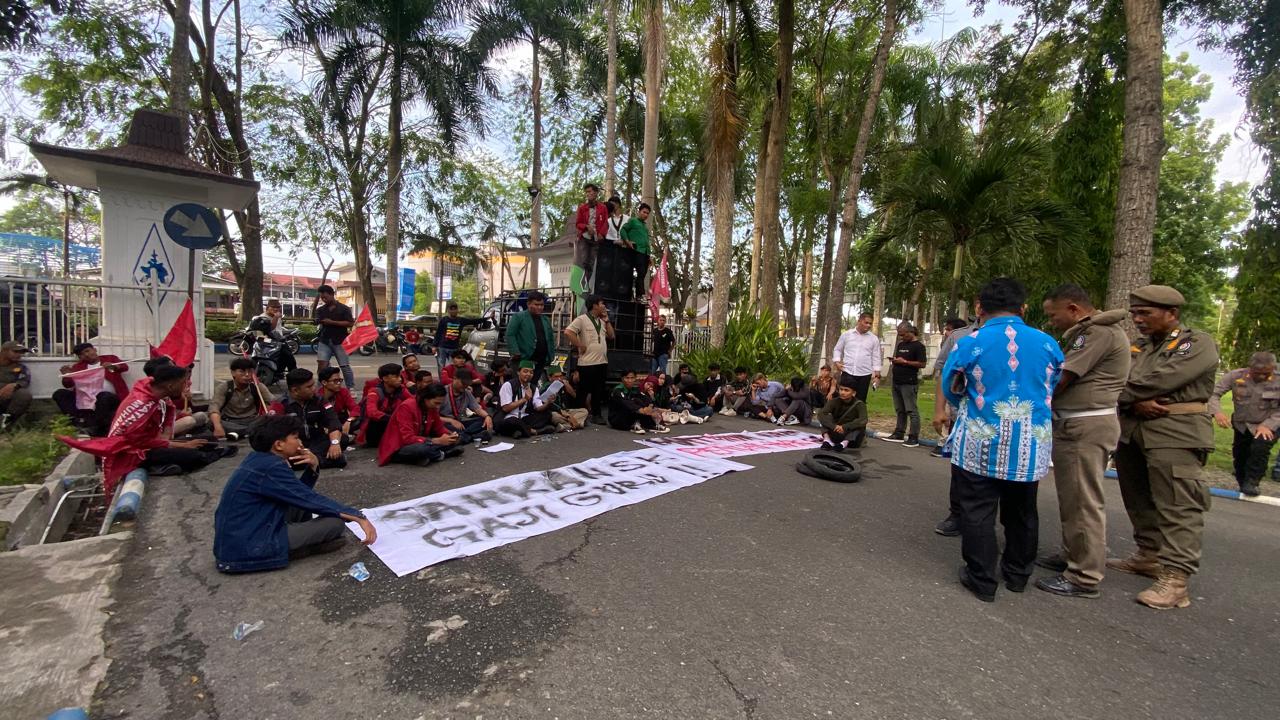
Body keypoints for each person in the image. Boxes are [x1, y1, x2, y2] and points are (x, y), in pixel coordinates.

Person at [941, 277, 1062, 603]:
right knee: (1022, 511)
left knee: (977, 510)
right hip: (1030, 445)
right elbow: (1055, 388)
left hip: (981, 441)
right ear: (1023, 308)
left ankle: (982, 579)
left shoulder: (968, 343)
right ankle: (1018, 575)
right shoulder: (1048, 343)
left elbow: (950, 387)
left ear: (979, 308)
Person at [1109, 285, 1219, 610]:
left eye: (1146, 313)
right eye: (1135, 313)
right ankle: (1149, 555)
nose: (1138, 320)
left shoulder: (1195, 343)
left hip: (1175, 433)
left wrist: (1127, 394)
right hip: (1133, 432)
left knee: (1178, 505)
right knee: (1138, 496)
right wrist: (1134, 401)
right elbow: (1116, 380)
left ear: (1172, 313)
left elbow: (1159, 380)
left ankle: (1176, 580)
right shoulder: (1140, 346)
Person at [1034, 284, 1130, 600]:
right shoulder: (1089, 331)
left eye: (1053, 315)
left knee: (1082, 501)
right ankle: (1072, 553)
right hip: (1077, 422)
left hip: (1085, 425)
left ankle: (1083, 576)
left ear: (1074, 309)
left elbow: (1061, 378)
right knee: (1072, 497)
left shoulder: (1095, 334)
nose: (1051, 322)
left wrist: (1027, 395)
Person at [213, 415, 376, 574]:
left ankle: (300, 541)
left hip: (242, 536)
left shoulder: (260, 459)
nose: (300, 443)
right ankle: (292, 549)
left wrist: (313, 468)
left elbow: (296, 494)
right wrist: (358, 516)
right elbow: (307, 498)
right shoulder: (271, 467)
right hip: (249, 546)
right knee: (335, 523)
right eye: (296, 438)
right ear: (279, 445)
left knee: (307, 507)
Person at [62, 364, 234, 497]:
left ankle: (183, 456)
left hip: (150, 442)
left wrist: (178, 442)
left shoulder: (155, 393)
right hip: (131, 451)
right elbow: (139, 442)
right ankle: (158, 467)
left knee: (206, 441)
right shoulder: (141, 405)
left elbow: (165, 421)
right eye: (183, 384)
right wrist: (179, 445)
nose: (185, 387)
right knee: (194, 456)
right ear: (170, 385)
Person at [1209, 351, 1280, 497]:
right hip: (1242, 424)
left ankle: (1253, 482)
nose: (1261, 376)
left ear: (1273, 368)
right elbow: (1213, 394)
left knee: (1260, 447)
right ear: (1250, 368)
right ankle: (1242, 482)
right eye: (1257, 372)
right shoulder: (1236, 376)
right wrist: (1217, 412)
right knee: (1240, 454)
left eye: (1265, 373)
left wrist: (1268, 425)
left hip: (1269, 423)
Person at [932, 315, 979, 536]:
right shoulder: (962, 338)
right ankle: (957, 515)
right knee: (961, 470)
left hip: (1010, 423)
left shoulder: (1033, 339)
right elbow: (944, 371)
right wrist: (940, 409)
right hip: (965, 416)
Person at [270, 369, 348, 469]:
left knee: (343, 439)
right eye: (309, 387)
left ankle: (305, 461)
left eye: (313, 385)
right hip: (295, 445)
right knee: (339, 459)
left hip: (317, 442)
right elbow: (273, 432)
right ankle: (321, 461)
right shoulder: (280, 404)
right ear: (295, 390)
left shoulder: (319, 400)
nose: (314, 389)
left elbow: (333, 420)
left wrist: (334, 443)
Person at [378, 383, 465, 466]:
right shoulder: (407, 407)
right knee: (423, 449)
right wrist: (437, 441)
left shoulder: (432, 407)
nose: (438, 407)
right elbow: (407, 438)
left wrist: (450, 435)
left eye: (440, 404)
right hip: (400, 446)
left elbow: (439, 428)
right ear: (426, 399)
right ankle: (443, 455)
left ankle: (428, 456)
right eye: (436, 403)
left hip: (421, 441)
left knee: (457, 438)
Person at [54, 342, 128, 436]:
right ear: (80, 357)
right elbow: (68, 385)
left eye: (87, 351)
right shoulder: (78, 367)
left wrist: (113, 366)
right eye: (82, 354)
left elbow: (124, 367)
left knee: (103, 396)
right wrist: (67, 375)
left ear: (95, 350)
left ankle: (95, 427)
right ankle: (76, 423)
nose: (86, 355)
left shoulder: (109, 358)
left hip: (109, 399)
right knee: (59, 394)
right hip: (86, 400)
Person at [564, 294, 614, 423]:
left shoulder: (601, 321)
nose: (604, 306)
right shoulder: (581, 319)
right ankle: (579, 414)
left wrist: (607, 321)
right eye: (602, 303)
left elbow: (611, 336)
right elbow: (568, 332)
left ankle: (597, 415)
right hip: (587, 363)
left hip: (602, 361)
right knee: (583, 391)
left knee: (598, 390)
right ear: (594, 305)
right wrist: (579, 344)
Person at [930, 317, 974, 461]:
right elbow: (943, 368)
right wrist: (939, 409)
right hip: (954, 393)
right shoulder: (958, 337)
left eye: (948, 329)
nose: (946, 332)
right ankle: (944, 443)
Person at [883, 323, 927, 447]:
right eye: (900, 335)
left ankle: (913, 436)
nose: (901, 337)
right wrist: (895, 360)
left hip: (909, 382)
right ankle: (899, 432)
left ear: (910, 332)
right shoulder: (901, 345)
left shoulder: (919, 346)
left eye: (903, 335)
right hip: (897, 381)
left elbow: (922, 364)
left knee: (911, 410)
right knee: (899, 409)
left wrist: (905, 362)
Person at [209, 357, 274, 440]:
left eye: (250, 371)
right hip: (229, 421)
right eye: (242, 371)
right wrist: (218, 427)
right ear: (233, 373)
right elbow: (214, 408)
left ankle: (239, 433)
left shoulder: (257, 386)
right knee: (211, 422)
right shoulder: (224, 387)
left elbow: (272, 402)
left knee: (269, 420)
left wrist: (268, 412)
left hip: (251, 420)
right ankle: (247, 433)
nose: (247, 375)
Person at [506, 291, 556, 385]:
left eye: (541, 305)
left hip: (540, 361)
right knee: (520, 386)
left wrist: (551, 355)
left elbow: (550, 339)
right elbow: (510, 335)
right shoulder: (519, 317)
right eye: (536, 304)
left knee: (532, 386)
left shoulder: (545, 319)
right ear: (528, 304)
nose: (540, 307)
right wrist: (515, 351)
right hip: (524, 359)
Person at [831, 313, 881, 403]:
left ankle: (858, 417)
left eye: (870, 323)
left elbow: (876, 357)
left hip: (864, 374)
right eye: (866, 322)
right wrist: (837, 362)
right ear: (859, 321)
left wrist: (877, 376)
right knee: (844, 398)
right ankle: (844, 417)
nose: (868, 325)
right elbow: (837, 349)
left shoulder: (874, 339)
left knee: (860, 401)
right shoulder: (846, 335)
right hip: (848, 372)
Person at [356, 363, 409, 447]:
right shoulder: (374, 392)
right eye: (396, 377)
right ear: (385, 378)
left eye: (400, 376)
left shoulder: (401, 389)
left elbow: (412, 402)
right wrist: (393, 418)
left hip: (392, 424)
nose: (400, 379)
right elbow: (372, 412)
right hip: (376, 429)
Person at [312, 284, 355, 389]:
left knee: (344, 366)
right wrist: (317, 320)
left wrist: (332, 322)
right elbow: (317, 319)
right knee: (322, 366)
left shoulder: (344, 309)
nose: (324, 299)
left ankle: (351, 387)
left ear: (332, 295)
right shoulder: (320, 309)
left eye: (325, 297)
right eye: (322, 298)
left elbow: (350, 323)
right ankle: (321, 388)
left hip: (340, 341)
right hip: (324, 340)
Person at [496, 360, 552, 438]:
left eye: (531, 372)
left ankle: (519, 431)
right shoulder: (508, 385)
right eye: (525, 371)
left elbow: (538, 408)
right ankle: (534, 431)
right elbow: (506, 408)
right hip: (508, 417)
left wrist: (548, 402)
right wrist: (524, 399)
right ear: (518, 372)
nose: (528, 374)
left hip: (523, 417)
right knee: (512, 421)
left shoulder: (533, 388)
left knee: (547, 414)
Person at [440, 367, 494, 443]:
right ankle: (473, 436)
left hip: (460, 423)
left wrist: (487, 416)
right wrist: (451, 420)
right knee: (445, 427)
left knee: (483, 421)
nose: (465, 386)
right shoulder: (443, 392)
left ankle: (464, 436)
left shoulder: (467, 393)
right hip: (446, 422)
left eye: (467, 384)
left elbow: (477, 409)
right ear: (455, 378)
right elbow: (434, 417)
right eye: (463, 384)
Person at [608, 368, 669, 434]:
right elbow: (627, 403)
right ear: (622, 379)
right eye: (627, 378)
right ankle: (633, 425)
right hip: (617, 418)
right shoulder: (618, 390)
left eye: (632, 378)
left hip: (630, 414)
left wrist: (650, 407)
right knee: (632, 404)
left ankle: (651, 426)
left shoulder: (635, 389)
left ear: (635, 378)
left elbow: (644, 398)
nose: (630, 380)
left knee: (639, 401)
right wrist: (642, 410)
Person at [433, 301, 484, 375]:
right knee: (441, 366)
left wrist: (487, 318)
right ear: (448, 310)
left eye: (455, 309)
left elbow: (473, 321)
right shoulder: (444, 320)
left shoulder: (461, 320)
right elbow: (438, 333)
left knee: (453, 366)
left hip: (453, 348)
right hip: (442, 347)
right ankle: (442, 383)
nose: (453, 311)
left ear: (457, 310)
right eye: (451, 309)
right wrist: (434, 346)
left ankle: (452, 381)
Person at [817, 378, 868, 451]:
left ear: (853, 393)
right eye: (841, 389)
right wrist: (834, 426)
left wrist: (844, 427)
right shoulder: (834, 401)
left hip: (849, 433)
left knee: (859, 425)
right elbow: (821, 414)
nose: (842, 392)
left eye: (846, 390)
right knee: (824, 418)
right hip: (836, 430)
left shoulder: (860, 404)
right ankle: (827, 441)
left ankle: (844, 444)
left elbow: (863, 420)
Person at [574, 183, 610, 285]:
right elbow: (578, 223)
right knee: (584, 260)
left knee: (591, 263)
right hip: (584, 238)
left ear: (596, 193)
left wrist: (601, 234)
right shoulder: (582, 208)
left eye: (590, 191)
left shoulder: (602, 207)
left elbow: (605, 223)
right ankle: (579, 283)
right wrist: (586, 226)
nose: (588, 194)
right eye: (586, 192)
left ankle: (585, 284)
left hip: (595, 238)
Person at [252, 299, 297, 374]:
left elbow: (278, 330)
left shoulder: (278, 316)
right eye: (273, 307)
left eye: (278, 307)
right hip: (266, 341)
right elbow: (270, 328)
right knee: (288, 356)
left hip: (278, 341)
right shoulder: (262, 318)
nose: (275, 309)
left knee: (288, 357)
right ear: (268, 307)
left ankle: (292, 374)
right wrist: (275, 318)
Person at [536, 365, 587, 431]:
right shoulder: (547, 387)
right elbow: (549, 405)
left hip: (564, 411)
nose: (559, 378)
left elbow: (574, 396)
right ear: (549, 378)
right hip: (554, 412)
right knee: (554, 416)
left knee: (584, 411)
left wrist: (567, 385)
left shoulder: (562, 384)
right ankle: (576, 423)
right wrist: (567, 416)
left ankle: (566, 425)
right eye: (556, 377)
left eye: (561, 376)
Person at [318, 366, 359, 441]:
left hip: (341, 422)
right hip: (326, 424)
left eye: (340, 380)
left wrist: (349, 421)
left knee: (359, 420)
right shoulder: (317, 396)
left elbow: (355, 408)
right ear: (324, 382)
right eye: (335, 381)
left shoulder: (343, 391)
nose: (339, 383)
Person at [621, 203, 653, 299]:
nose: (646, 215)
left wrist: (649, 256)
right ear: (639, 212)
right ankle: (640, 295)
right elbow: (623, 230)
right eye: (644, 212)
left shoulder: (645, 226)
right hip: (637, 250)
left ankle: (639, 295)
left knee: (642, 274)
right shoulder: (633, 221)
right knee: (640, 272)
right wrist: (627, 241)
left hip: (645, 253)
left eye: (647, 213)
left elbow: (646, 241)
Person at [0, 341, 33, 429]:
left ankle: (5, 424)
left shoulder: (21, 368)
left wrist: (14, 385)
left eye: (21, 352)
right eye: (15, 352)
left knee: (24, 395)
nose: (19, 355)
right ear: (4, 351)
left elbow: (25, 380)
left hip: (7, 398)